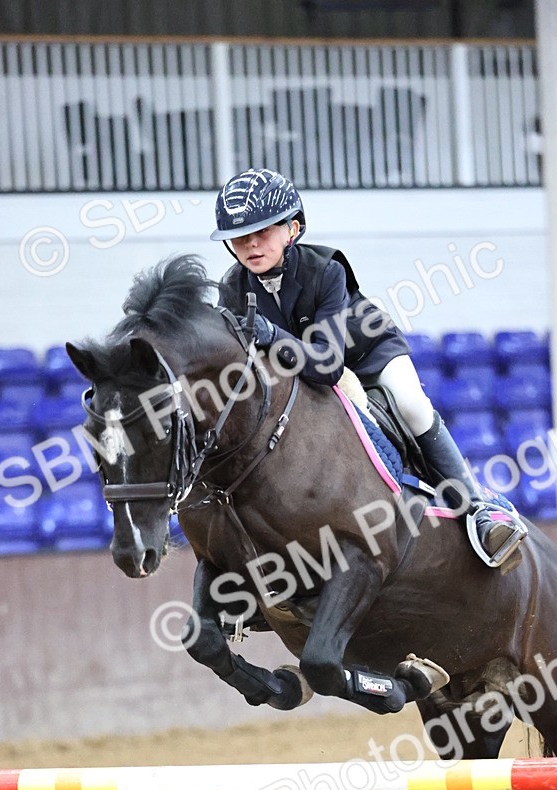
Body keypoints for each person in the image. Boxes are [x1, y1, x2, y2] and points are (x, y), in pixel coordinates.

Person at [211, 168, 526, 568]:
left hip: (365, 355)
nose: (251, 245)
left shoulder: (326, 270)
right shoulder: (233, 288)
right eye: (239, 238)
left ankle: (477, 508)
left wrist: (272, 335)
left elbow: (327, 364)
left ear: (292, 229)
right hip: (297, 375)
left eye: (264, 232)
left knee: (412, 405)